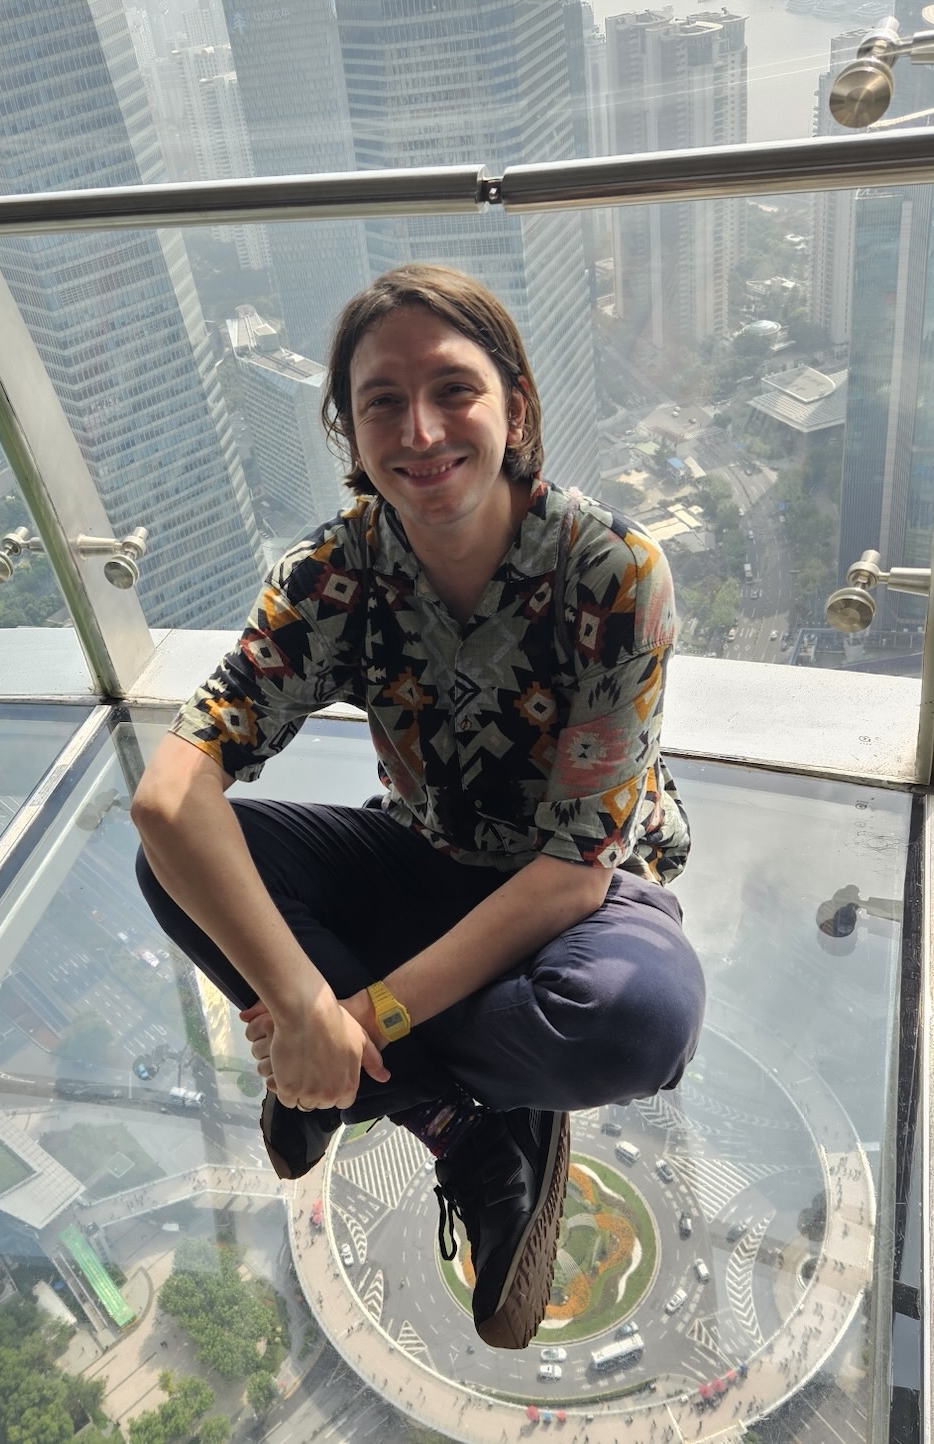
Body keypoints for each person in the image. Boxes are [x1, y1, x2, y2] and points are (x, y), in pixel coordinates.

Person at [133, 263, 704, 1350]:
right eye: (381, 401)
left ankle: (352, 1079)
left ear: (515, 407)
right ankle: (466, 1126)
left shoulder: (612, 572)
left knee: (638, 1021)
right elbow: (171, 796)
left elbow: (574, 869)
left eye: (454, 389)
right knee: (176, 866)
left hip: (578, 894)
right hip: (423, 853)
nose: (422, 427)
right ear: (348, 435)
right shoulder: (334, 576)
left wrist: (351, 1021)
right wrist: (301, 1004)